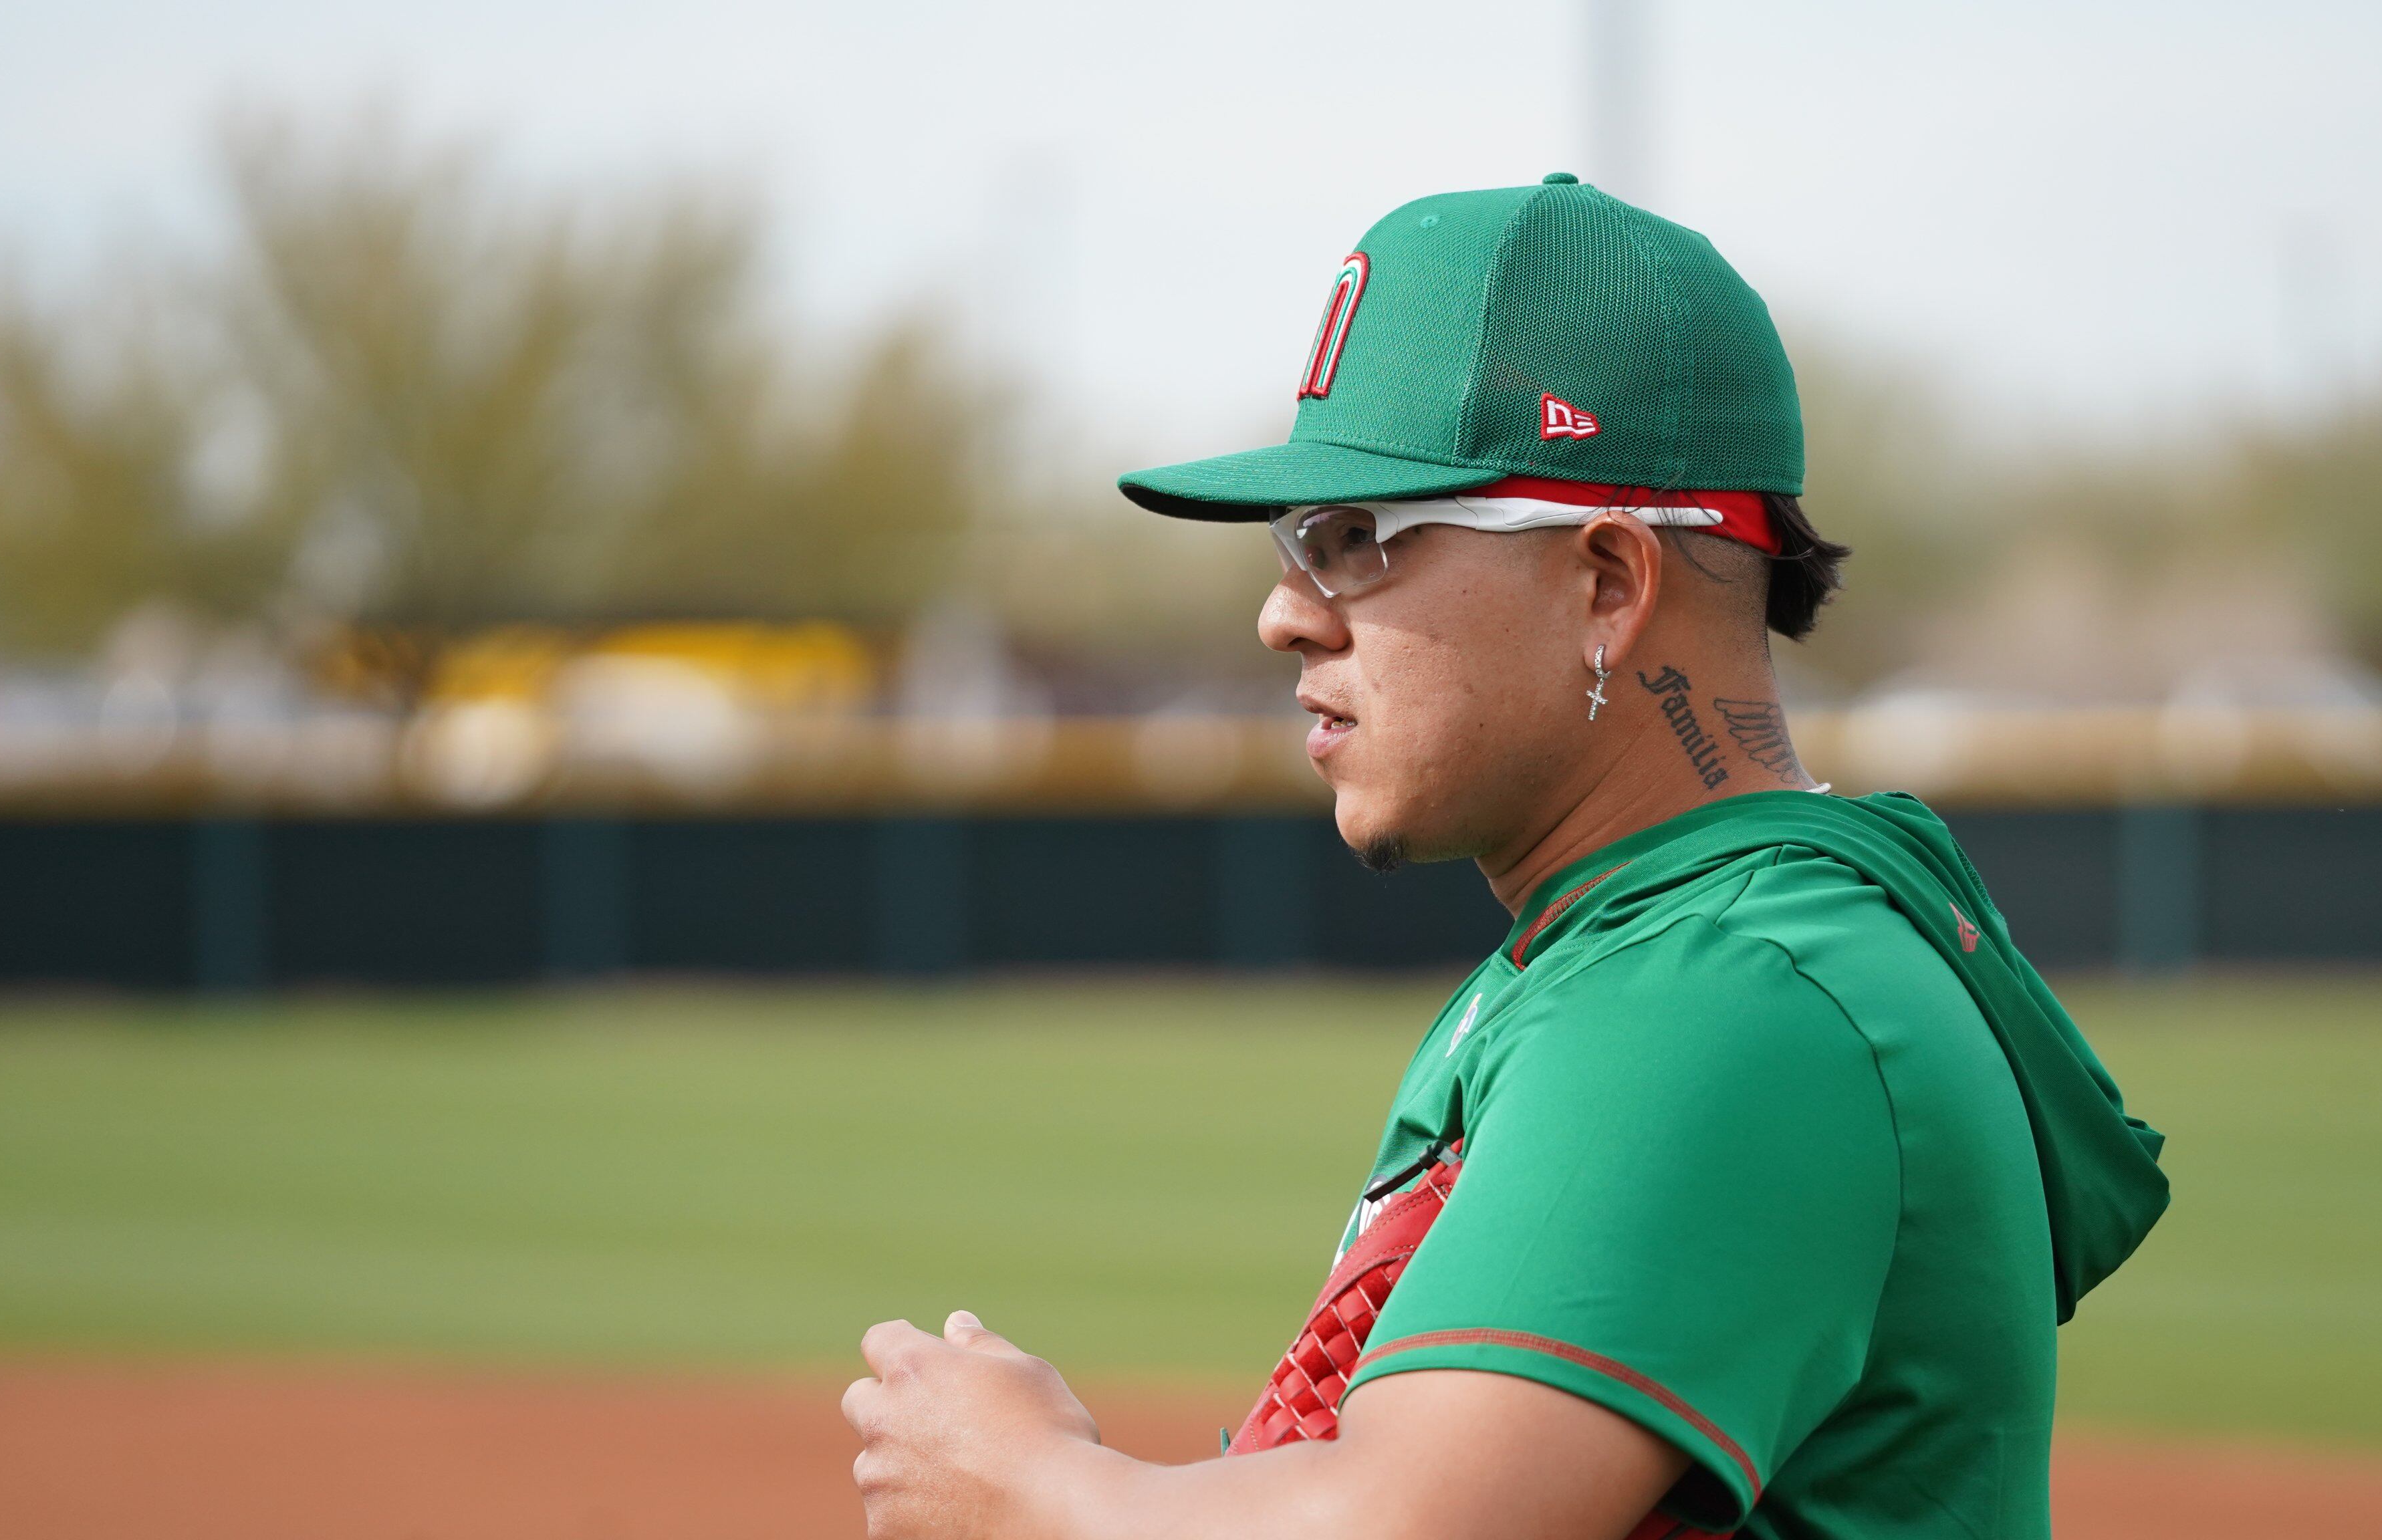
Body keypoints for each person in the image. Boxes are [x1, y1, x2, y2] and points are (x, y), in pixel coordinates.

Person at [840, 173, 2169, 1540]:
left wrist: (1036, 1492)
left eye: (1352, 540)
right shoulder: (1641, 952)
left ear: (1604, 580)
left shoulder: (1728, 987)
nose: (1280, 616)